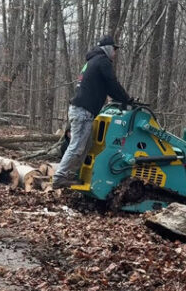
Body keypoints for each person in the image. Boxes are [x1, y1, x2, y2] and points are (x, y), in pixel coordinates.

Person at [52, 34, 132, 189]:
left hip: (81, 109)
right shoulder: (103, 61)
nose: (115, 54)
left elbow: (105, 87)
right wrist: (127, 100)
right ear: (108, 48)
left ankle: (72, 175)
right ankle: (59, 177)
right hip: (83, 111)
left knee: (87, 144)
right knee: (77, 146)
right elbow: (112, 84)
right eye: (114, 49)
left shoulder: (91, 61)